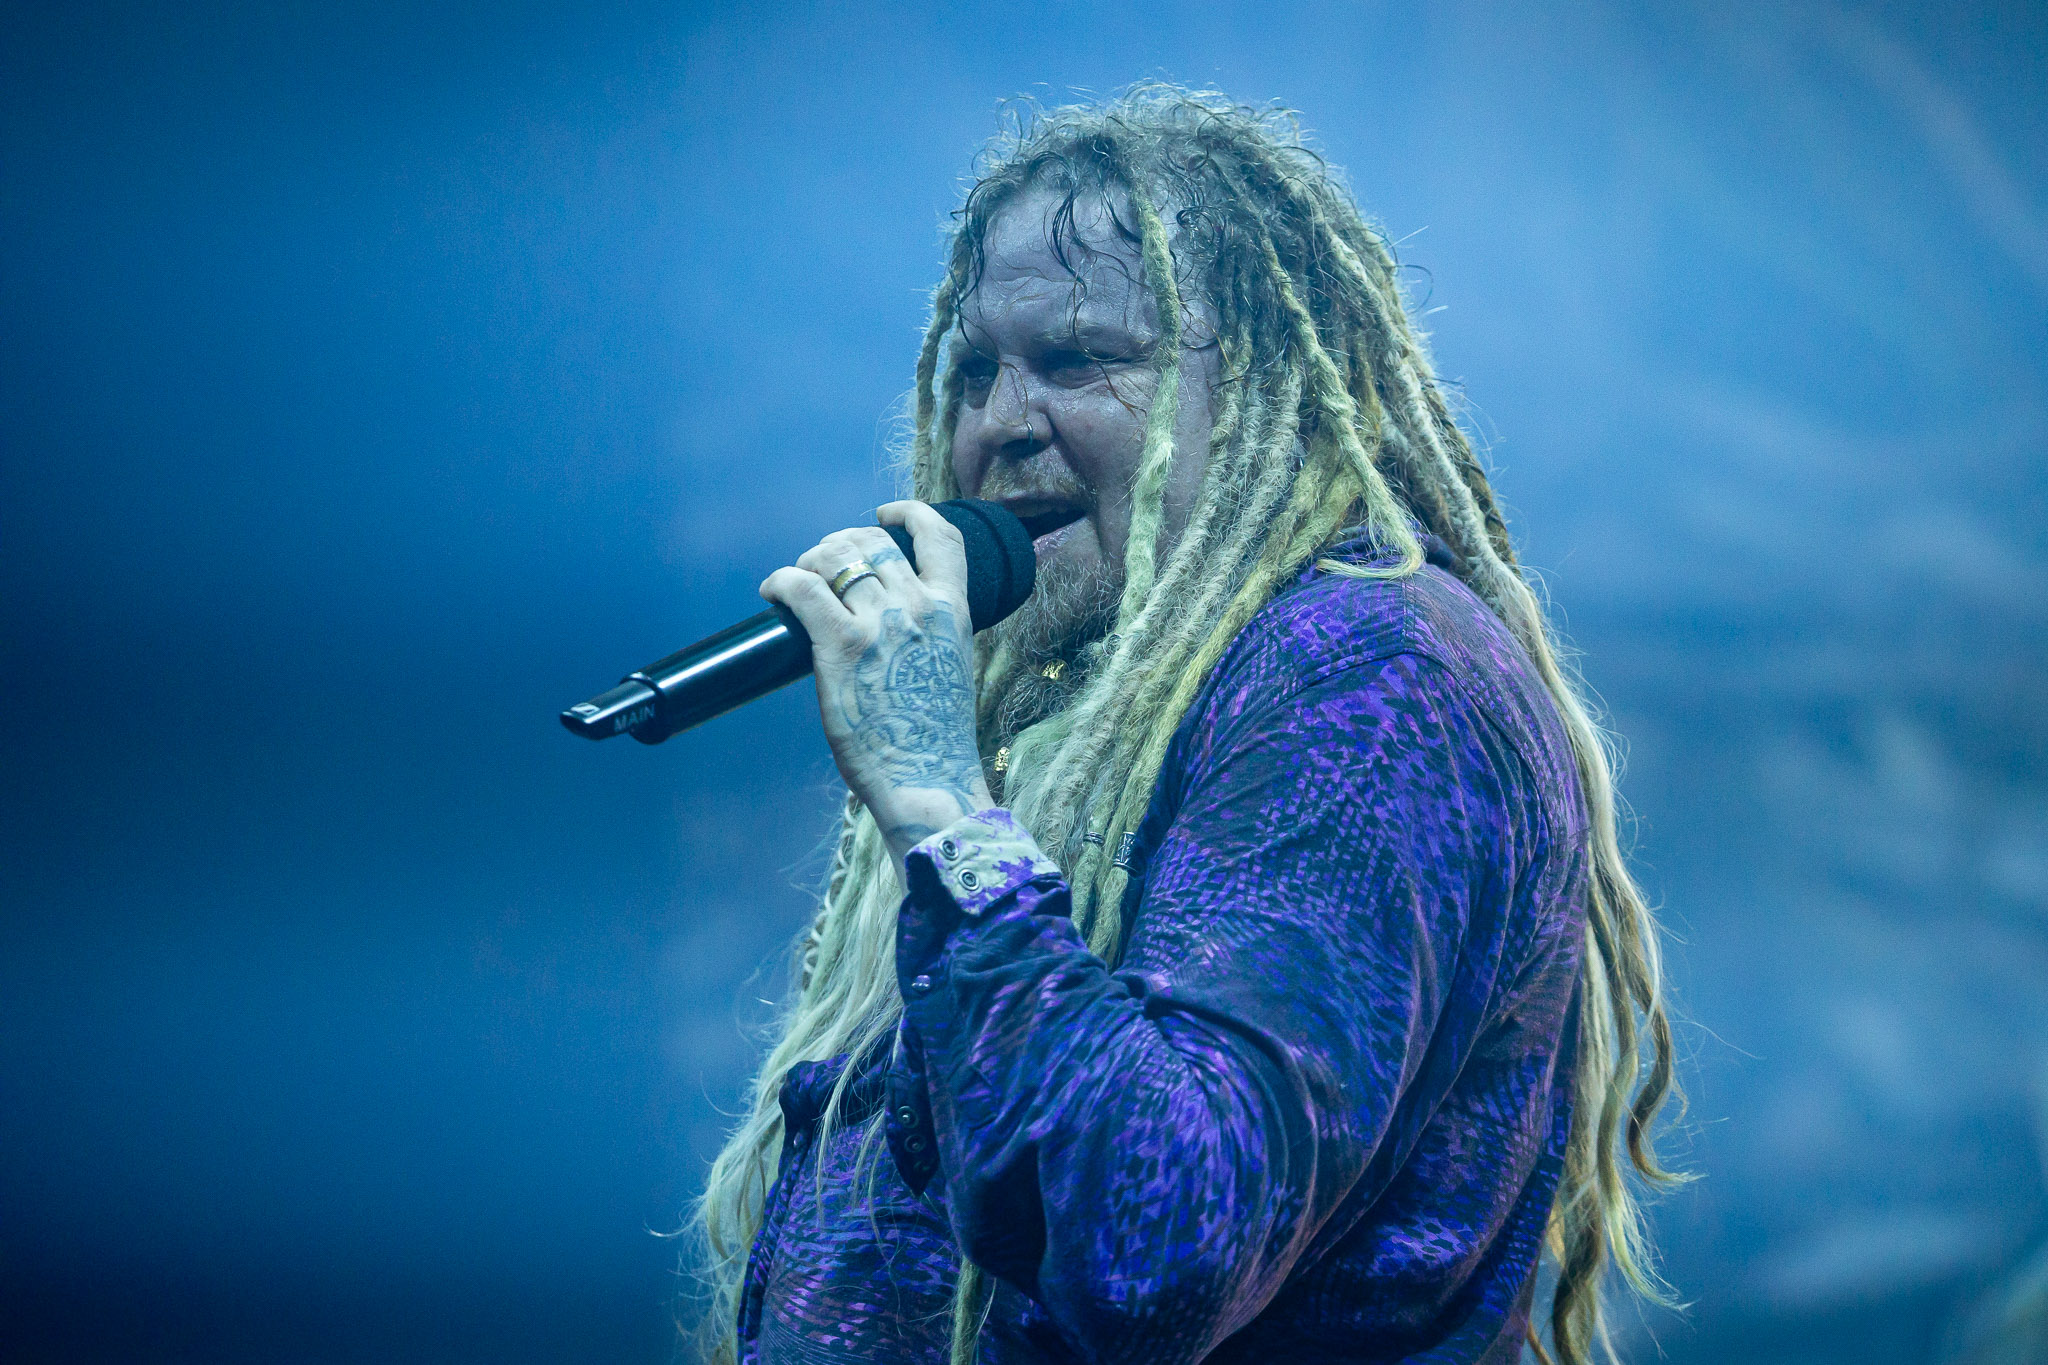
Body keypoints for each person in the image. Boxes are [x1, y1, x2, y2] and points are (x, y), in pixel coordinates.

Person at [695, 86, 1683, 1365]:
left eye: (1076, 360)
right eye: (975, 371)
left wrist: (939, 808)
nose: (1000, 423)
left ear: (1269, 391)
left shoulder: (1364, 682)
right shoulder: (1101, 704)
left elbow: (1159, 1242)